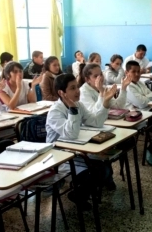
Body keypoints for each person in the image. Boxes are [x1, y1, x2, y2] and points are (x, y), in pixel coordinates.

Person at [45, 73, 117, 210]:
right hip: (59, 156)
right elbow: (70, 134)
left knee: (102, 169)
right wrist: (73, 110)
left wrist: (105, 103)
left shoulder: (79, 104)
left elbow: (96, 122)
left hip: (76, 150)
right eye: (72, 88)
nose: (77, 91)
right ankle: (79, 194)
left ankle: (80, 193)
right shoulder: (55, 111)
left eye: (77, 87)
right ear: (61, 92)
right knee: (90, 175)